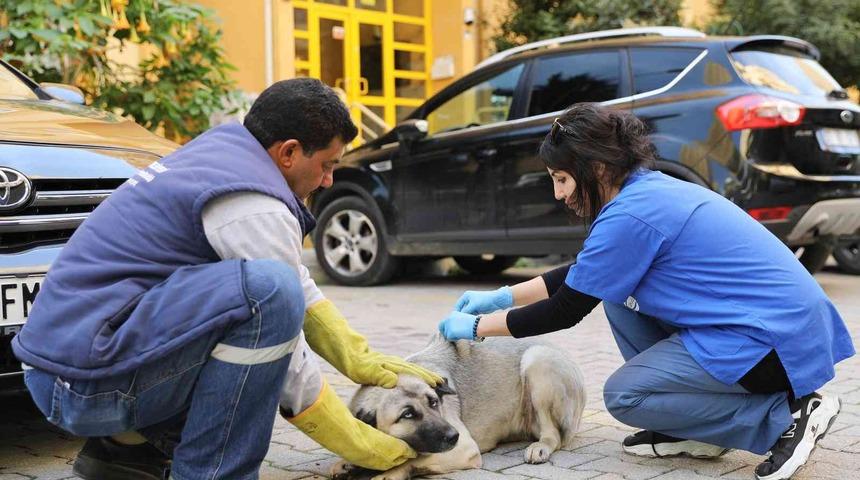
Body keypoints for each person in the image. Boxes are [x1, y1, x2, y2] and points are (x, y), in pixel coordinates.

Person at [13, 78, 441, 480]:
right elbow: (288, 357)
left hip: (65, 373)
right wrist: (357, 442)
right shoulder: (253, 203)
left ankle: (123, 452)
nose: (329, 180)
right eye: (327, 165)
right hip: (82, 389)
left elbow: (292, 275)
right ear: (289, 152)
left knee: (260, 295)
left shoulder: (225, 154)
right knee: (264, 301)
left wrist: (355, 356)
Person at [437, 103, 854, 480]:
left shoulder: (631, 214)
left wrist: (475, 326)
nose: (559, 194)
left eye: (562, 179)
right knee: (618, 295)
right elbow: (587, 273)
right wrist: (504, 297)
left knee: (625, 395)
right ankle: (693, 428)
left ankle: (786, 417)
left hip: (770, 345)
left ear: (597, 169)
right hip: (771, 328)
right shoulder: (644, 190)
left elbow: (563, 311)